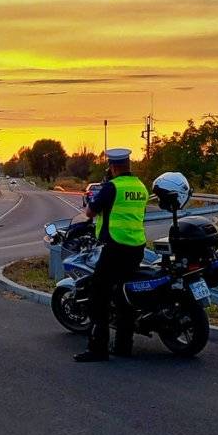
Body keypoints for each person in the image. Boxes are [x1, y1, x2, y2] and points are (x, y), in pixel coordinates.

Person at [74, 148, 148, 362]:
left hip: (115, 247)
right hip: (137, 247)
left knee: (99, 296)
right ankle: (124, 345)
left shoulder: (111, 187)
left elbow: (90, 212)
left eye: (109, 167)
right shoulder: (140, 187)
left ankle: (98, 349)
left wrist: (99, 194)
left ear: (113, 167)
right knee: (124, 296)